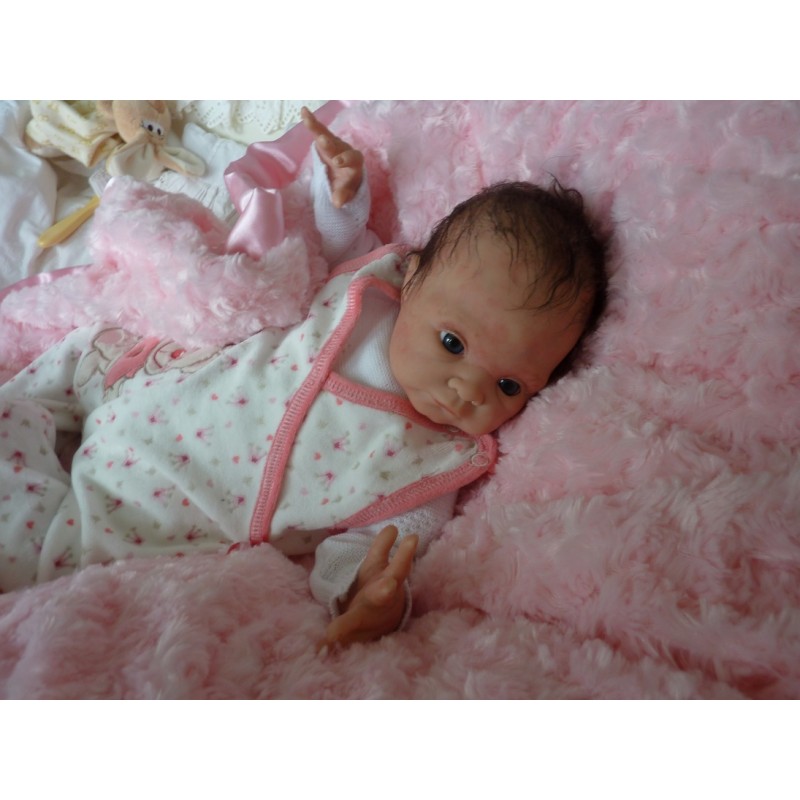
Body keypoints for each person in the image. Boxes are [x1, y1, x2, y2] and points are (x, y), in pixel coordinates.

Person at [0, 108, 607, 647]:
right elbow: (330, 251)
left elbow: (371, 550)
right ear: (412, 276)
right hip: (157, 387)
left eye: (508, 386)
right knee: (62, 368)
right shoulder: (372, 293)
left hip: (170, 508)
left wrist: (369, 596)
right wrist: (342, 195)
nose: (469, 390)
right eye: (452, 344)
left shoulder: (431, 468)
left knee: (40, 560)